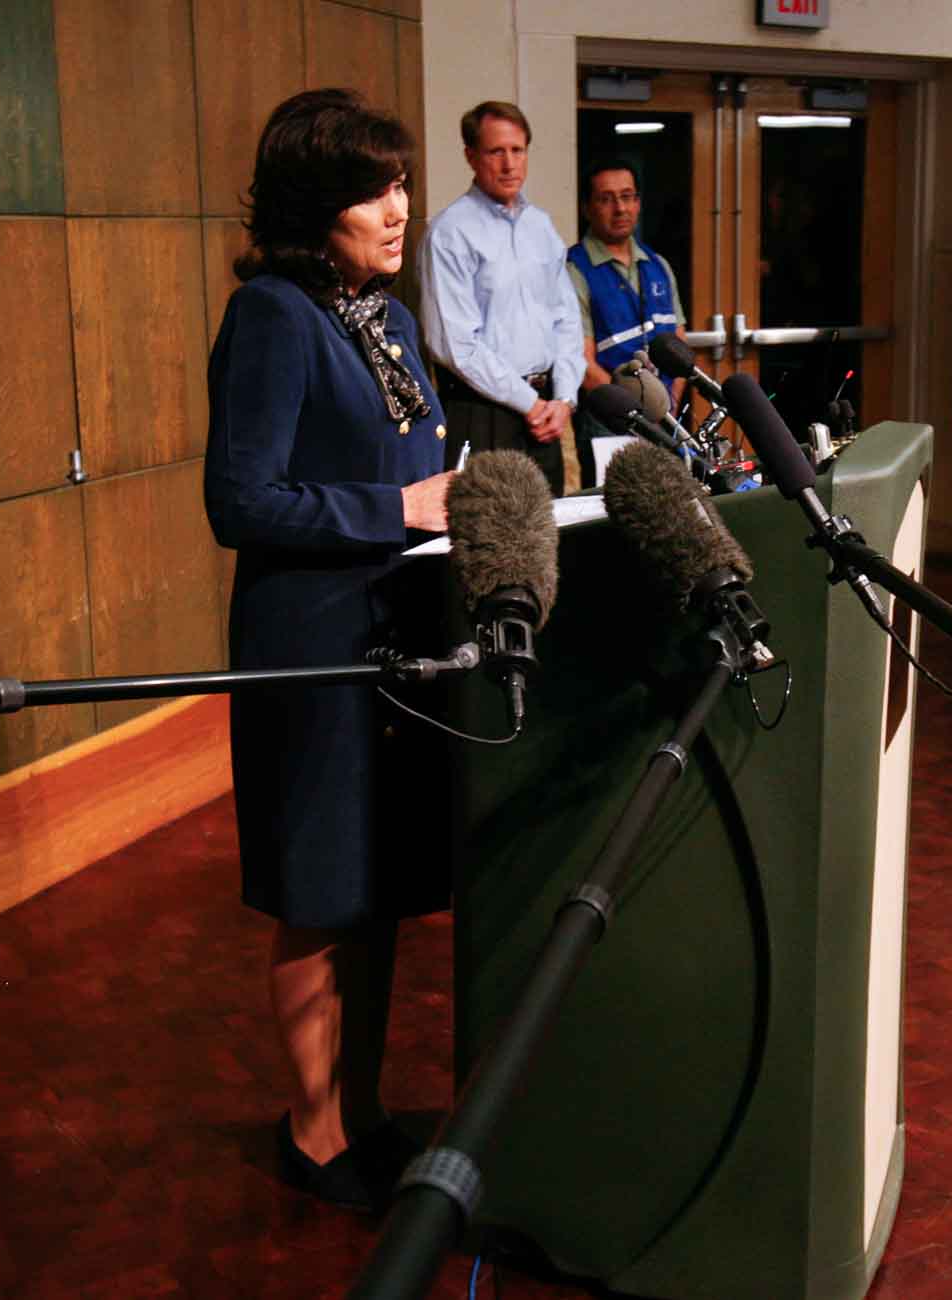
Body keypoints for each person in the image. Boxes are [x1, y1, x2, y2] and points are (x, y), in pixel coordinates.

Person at [203, 88, 454, 1210]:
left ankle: (366, 1107)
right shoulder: (273, 314)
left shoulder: (387, 320)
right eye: (371, 189)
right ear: (317, 205)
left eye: (400, 183)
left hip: (396, 637)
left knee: (380, 881)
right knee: (321, 887)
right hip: (308, 645)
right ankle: (313, 1132)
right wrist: (398, 511)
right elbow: (241, 498)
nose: (397, 209)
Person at [419, 101, 585, 497]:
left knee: (547, 538)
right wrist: (530, 403)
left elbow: (566, 319)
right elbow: (455, 344)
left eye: (518, 150)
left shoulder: (540, 227)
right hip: (483, 412)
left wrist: (563, 398)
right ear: (471, 157)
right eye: (496, 152)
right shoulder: (449, 232)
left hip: (547, 415)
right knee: (491, 545)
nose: (509, 164)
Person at [566, 158, 685, 486]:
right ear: (587, 208)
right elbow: (582, 363)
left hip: (665, 421)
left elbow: (678, 344)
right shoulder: (574, 270)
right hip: (609, 425)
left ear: (638, 203)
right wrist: (633, 414)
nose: (620, 208)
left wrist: (664, 409)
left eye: (628, 196)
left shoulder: (657, 265)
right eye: (606, 199)